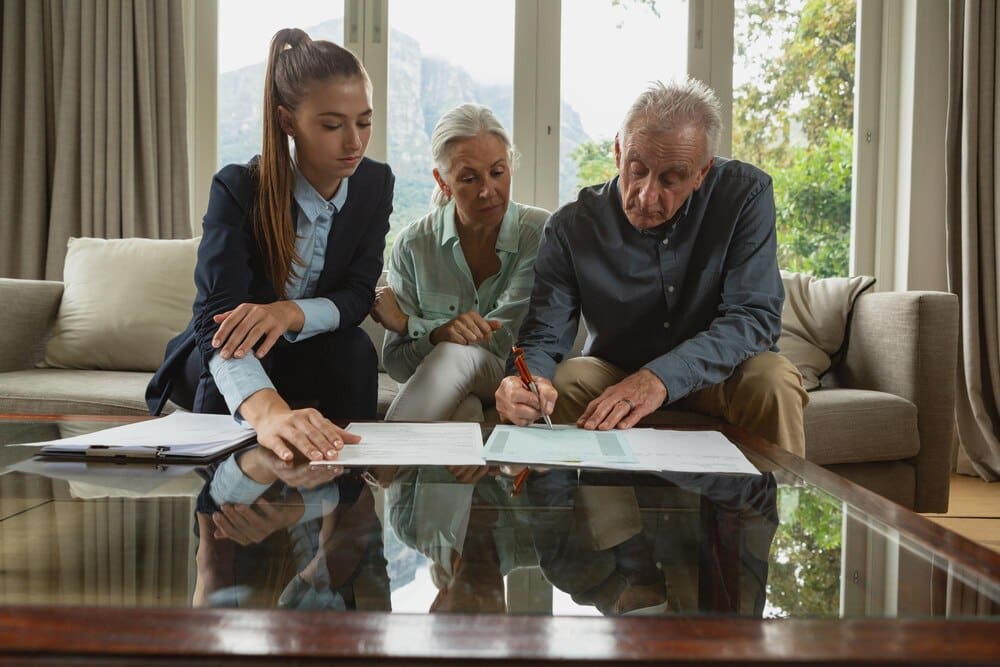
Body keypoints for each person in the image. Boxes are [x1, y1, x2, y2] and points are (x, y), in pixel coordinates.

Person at [495, 79, 809, 455]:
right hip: (618, 372)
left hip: (722, 375)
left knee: (772, 378)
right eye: (637, 169)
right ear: (617, 151)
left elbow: (753, 317)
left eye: (670, 179)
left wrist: (660, 377)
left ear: (702, 173)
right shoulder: (570, 227)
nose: (646, 195)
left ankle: (763, 511)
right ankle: (583, 511)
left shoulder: (744, 195)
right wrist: (523, 383)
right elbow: (544, 336)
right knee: (569, 379)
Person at [146, 28, 394, 463]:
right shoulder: (238, 188)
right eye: (333, 125)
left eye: (365, 121)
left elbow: (357, 297)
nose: (354, 142)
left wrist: (288, 312)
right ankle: (219, 501)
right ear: (287, 122)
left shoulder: (375, 184)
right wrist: (269, 412)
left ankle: (350, 505)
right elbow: (215, 324)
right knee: (234, 355)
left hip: (306, 352)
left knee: (354, 349)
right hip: (225, 351)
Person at [371, 104, 548, 421]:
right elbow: (396, 364)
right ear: (442, 181)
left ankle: (386, 467)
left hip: (504, 377)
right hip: (435, 383)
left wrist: (409, 325)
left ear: (510, 166)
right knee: (464, 409)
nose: (487, 191)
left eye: (497, 173)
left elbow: (499, 344)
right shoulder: (413, 245)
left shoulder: (537, 234)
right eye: (469, 178)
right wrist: (439, 334)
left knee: (454, 355)